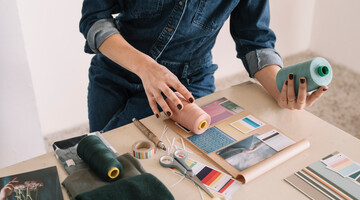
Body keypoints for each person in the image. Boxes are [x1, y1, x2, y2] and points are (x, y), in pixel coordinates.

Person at [80, 0, 328, 132]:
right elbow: (95, 20)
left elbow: (255, 41)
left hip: (188, 83)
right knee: (100, 164)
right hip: (114, 70)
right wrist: (146, 68)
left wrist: (281, 90)